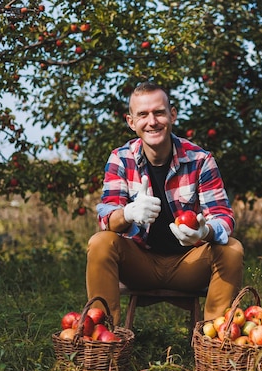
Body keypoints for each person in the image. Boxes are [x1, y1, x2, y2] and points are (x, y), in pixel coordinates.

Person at [86, 81, 243, 325]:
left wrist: (206, 231)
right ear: (131, 122)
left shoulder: (200, 160)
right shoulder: (121, 158)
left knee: (232, 249)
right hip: (140, 265)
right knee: (100, 243)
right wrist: (128, 213)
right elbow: (106, 218)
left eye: (159, 112)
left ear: (172, 115)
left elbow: (223, 217)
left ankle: (216, 336)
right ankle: (103, 335)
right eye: (143, 115)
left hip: (189, 264)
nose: (152, 121)